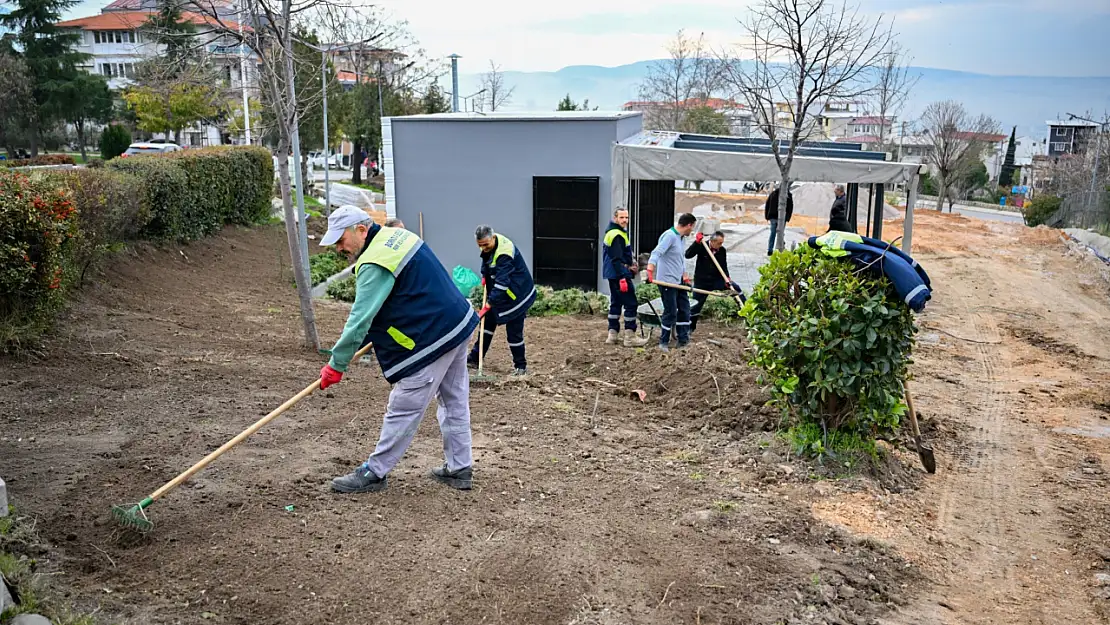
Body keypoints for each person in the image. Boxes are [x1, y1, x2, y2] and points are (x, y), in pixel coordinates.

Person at [317, 206, 479, 494]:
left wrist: (336, 364)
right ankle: (459, 467)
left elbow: (360, 318)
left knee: (404, 406)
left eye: (340, 240)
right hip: (457, 323)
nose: (339, 248)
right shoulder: (397, 237)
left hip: (433, 335)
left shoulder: (375, 262)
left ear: (362, 230)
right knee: (454, 401)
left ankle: (375, 472)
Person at [468, 225, 537, 375]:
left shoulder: (504, 253)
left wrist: (488, 304)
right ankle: (475, 358)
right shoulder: (488, 245)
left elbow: (501, 285)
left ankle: (520, 367)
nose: (483, 248)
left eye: (486, 245)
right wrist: (484, 275)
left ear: (492, 238)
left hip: (517, 296)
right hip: (502, 293)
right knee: (487, 323)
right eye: (480, 246)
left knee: (514, 331)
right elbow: (486, 260)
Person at [646, 213, 696, 351]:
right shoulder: (669, 236)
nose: (692, 231)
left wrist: (685, 276)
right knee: (671, 311)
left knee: (685, 309)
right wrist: (650, 270)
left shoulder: (681, 238)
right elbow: (656, 253)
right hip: (667, 281)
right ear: (689, 225)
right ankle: (663, 342)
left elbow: (680, 260)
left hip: (678, 281)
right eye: (692, 228)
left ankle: (683, 340)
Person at [602, 208, 649, 347]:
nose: (625, 221)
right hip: (619, 274)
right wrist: (623, 276)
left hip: (612, 274)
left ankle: (612, 335)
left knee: (615, 302)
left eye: (626, 218)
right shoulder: (616, 235)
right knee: (631, 303)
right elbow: (616, 259)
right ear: (615, 218)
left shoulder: (612, 232)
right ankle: (630, 337)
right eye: (622, 218)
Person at [685, 230, 743, 332]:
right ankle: (690, 327)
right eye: (719, 243)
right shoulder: (702, 246)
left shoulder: (722, 251)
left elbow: (723, 266)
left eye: (722, 243)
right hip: (702, 281)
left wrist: (727, 279)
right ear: (712, 241)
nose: (721, 245)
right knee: (696, 305)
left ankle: (744, 310)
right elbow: (688, 255)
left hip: (717, 280)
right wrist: (696, 242)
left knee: (736, 288)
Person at [764, 184, 795, 255]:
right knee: (779, 234)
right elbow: (790, 208)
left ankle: (772, 249)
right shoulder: (787, 195)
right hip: (776, 217)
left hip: (777, 217)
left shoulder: (774, 194)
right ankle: (777, 249)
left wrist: (767, 216)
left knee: (774, 233)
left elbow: (767, 205)